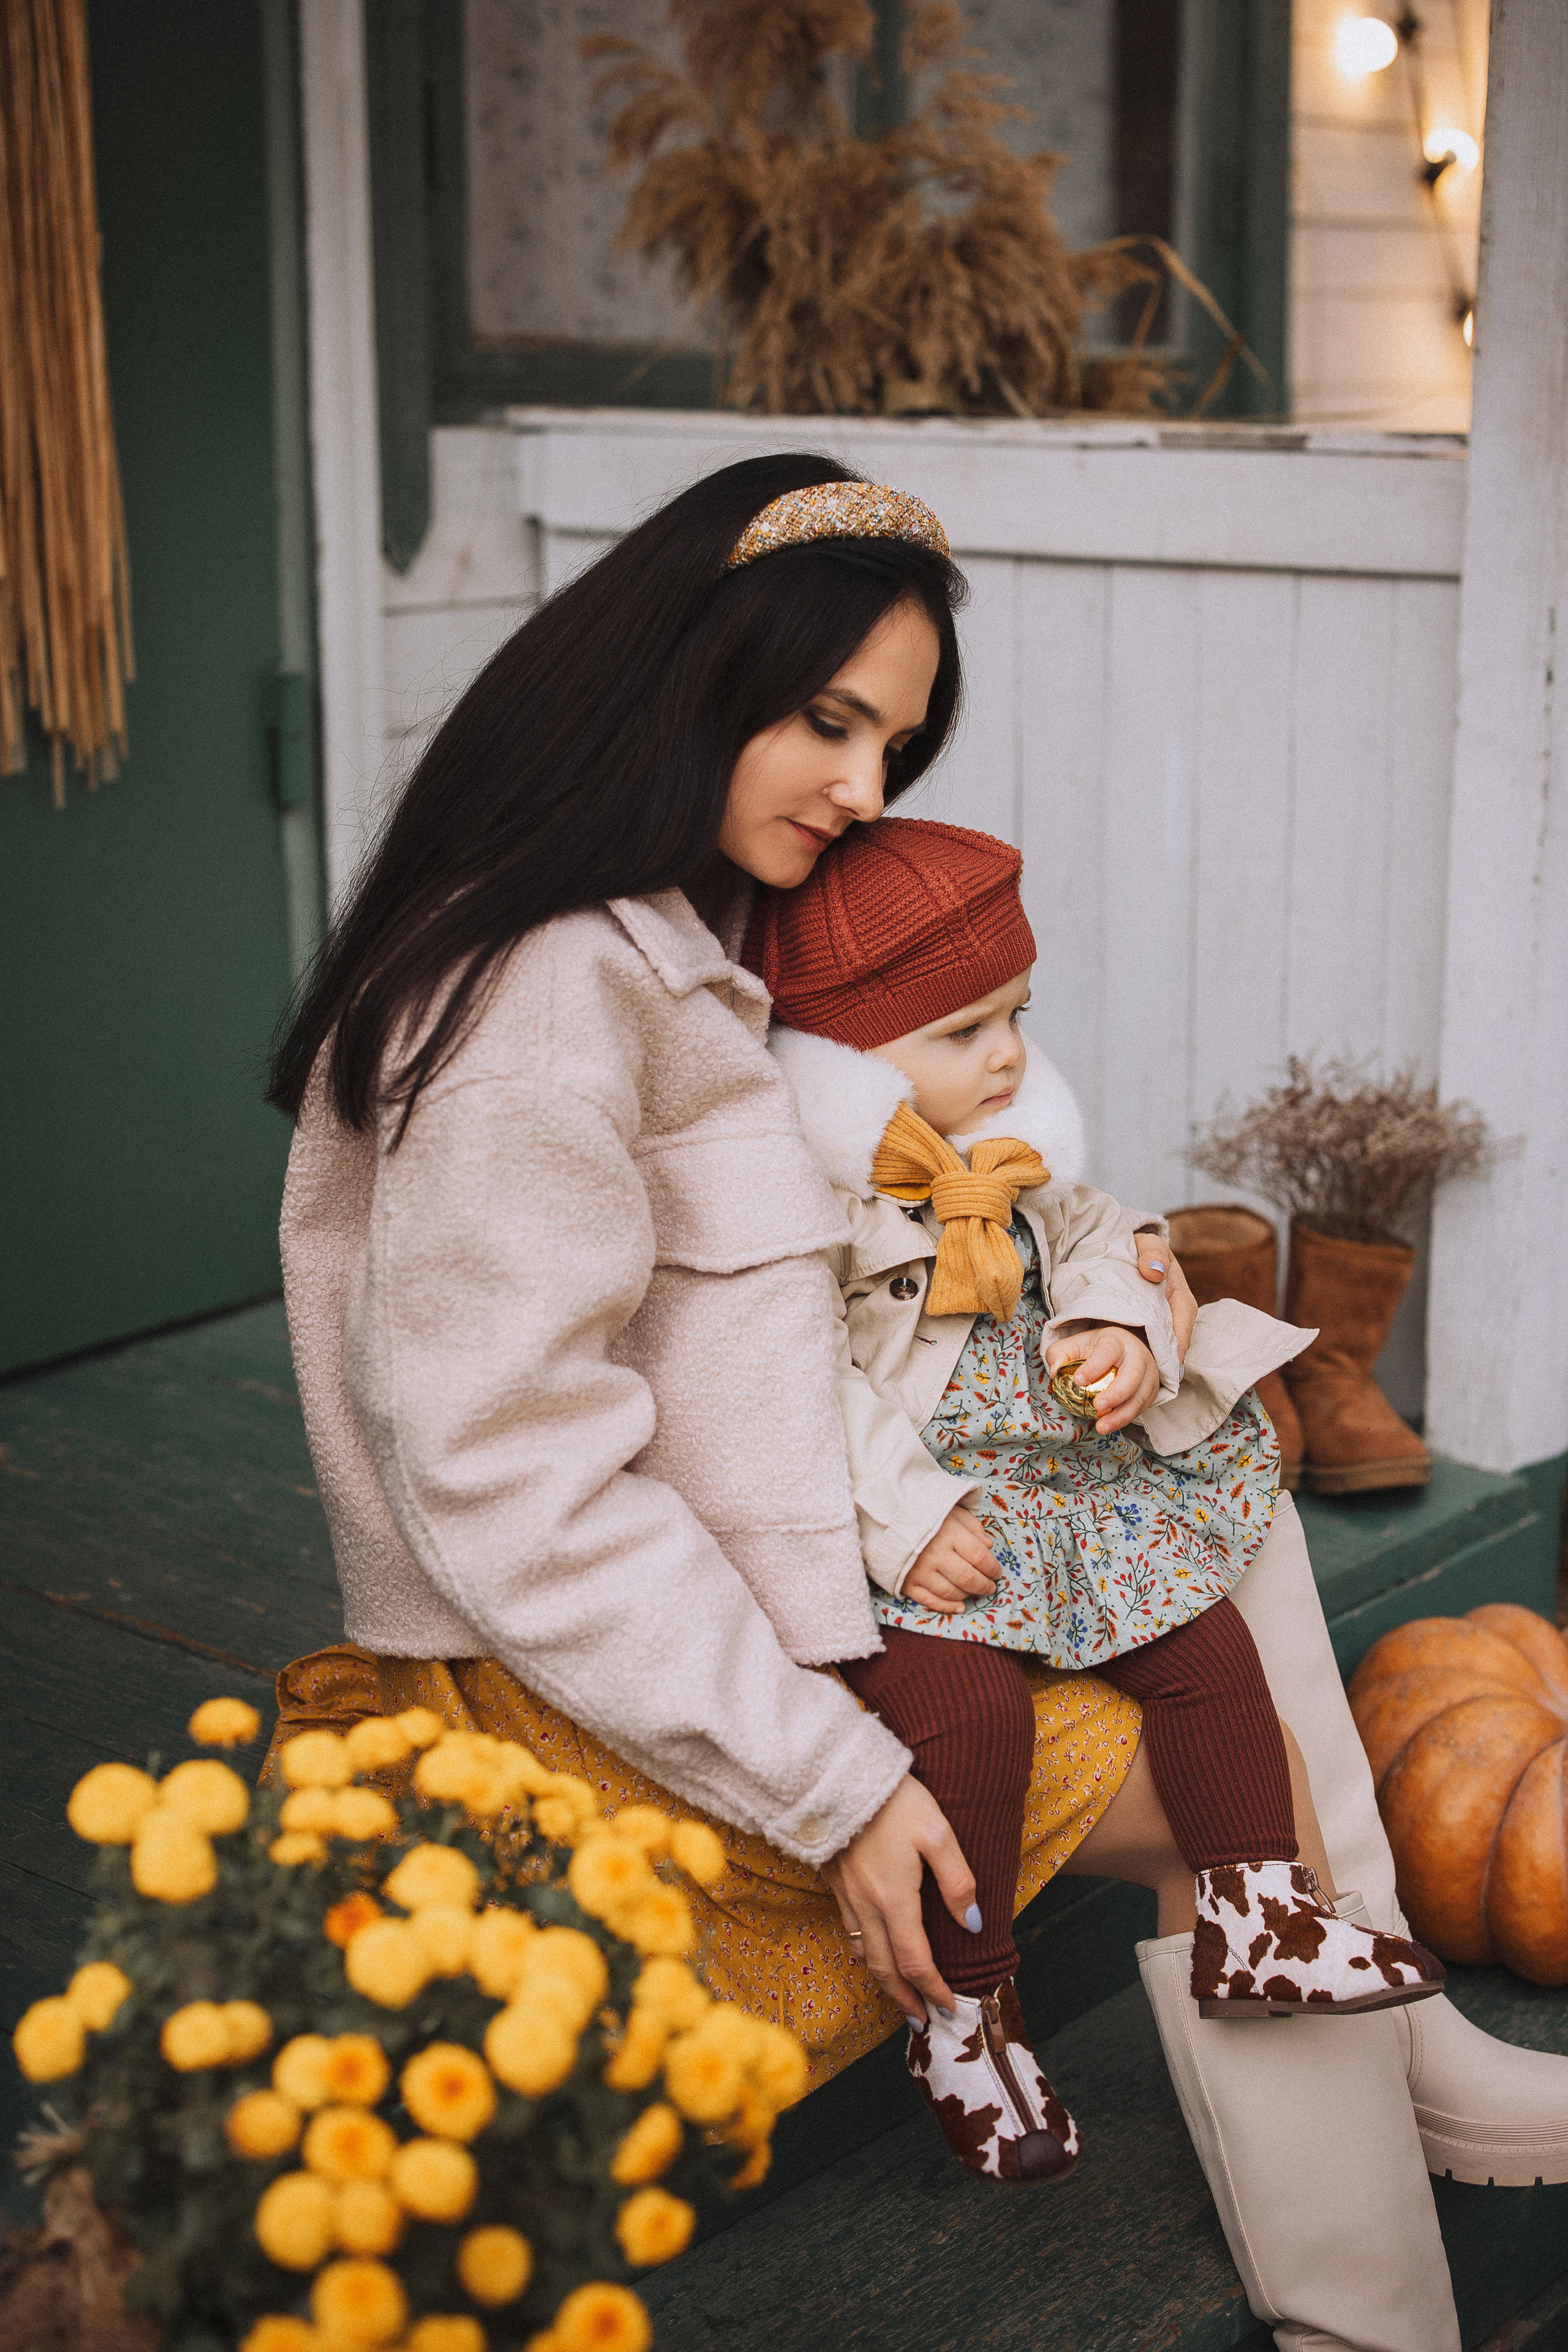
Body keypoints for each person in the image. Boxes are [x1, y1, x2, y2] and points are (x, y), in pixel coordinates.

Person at [266, 453, 1564, 2352]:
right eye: (828, 720)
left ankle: (1409, 2063)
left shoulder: (694, 932)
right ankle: (1369, 2315)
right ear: (682, 667)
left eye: (896, 739)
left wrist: (1107, 1311)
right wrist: (835, 1775)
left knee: (1207, 1485)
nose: (868, 789)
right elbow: (514, 1496)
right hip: (623, 1671)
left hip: (795, 1555)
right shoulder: (544, 1004)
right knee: (1240, 1801)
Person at [744, 815, 1444, 2180]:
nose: (1005, 1053)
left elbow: (1098, 1232)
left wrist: (1116, 1324)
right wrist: (903, 1520)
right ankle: (963, 2012)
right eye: (962, 1031)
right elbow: (793, 1380)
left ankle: (1260, 1914)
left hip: (1060, 1502)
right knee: (968, 1724)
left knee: (1206, 1646)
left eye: (1016, 1014)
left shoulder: (1010, 1144)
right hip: (928, 1531)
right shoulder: (814, 1208)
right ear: (843, 1063)